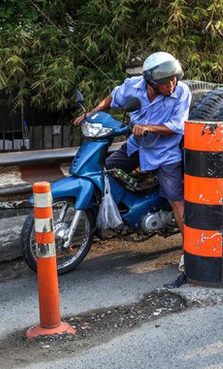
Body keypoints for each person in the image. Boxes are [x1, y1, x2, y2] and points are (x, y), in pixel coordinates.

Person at [74, 52, 191, 266]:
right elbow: (113, 97)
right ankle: (125, 216)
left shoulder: (182, 92)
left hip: (165, 153)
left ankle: (190, 253)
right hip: (137, 146)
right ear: (151, 83)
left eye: (174, 79)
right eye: (165, 82)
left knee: (176, 199)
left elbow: (179, 126)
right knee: (105, 172)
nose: (171, 84)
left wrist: (149, 127)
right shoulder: (133, 86)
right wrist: (92, 112)